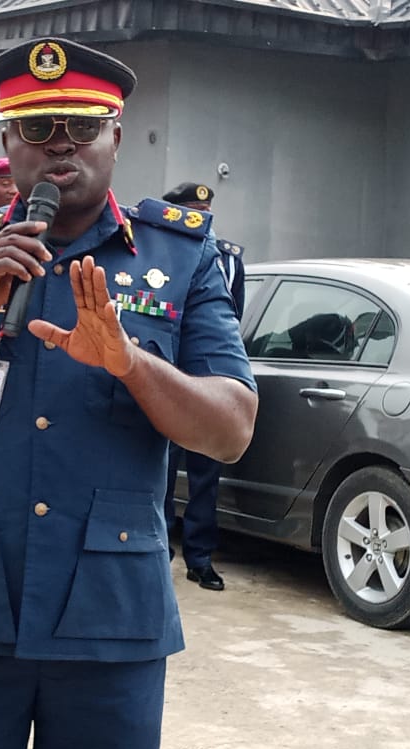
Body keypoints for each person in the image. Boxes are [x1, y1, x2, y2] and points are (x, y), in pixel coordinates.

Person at [0, 37, 258, 749]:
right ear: (7, 141)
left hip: (110, 617)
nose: (60, 144)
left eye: (82, 125)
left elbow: (230, 430)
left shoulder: (182, 255)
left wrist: (131, 365)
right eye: (37, 129)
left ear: (116, 137)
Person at [160, 181, 246, 590]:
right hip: (163, 379)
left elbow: (231, 323)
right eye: (194, 212)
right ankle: (160, 549)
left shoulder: (228, 260)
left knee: (205, 476)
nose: (204, 220)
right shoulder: (157, 252)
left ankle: (200, 558)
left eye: (206, 212)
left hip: (207, 383)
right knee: (160, 470)